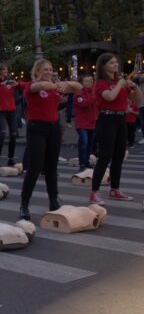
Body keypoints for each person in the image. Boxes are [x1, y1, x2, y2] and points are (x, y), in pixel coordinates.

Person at [18, 60, 82, 220]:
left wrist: (67, 84)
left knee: (52, 168)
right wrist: (58, 85)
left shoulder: (54, 88)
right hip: (37, 128)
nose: (48, 72)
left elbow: (79, 87)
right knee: (34, 168)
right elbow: (40, 86)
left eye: (50, 69)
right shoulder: (32, 86)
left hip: (53, 128)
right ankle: (24, 204)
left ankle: (53, 201)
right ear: (37, 71)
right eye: (45, 69)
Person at [90, 53, 142, 205]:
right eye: (112, 63)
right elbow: (109, 97)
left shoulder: (119, 81)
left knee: (119, 156)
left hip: (121, 119)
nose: (116, 65)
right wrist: (120, 84)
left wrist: (134, 86)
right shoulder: (101, 83)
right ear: (103, 65)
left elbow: (137, 100)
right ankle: (94, 192)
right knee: (105, 156)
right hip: (106, 119)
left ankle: (115, 189)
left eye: (116, 62)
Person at [0, 63, 20, 167]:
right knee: (2, 134)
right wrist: (1, 84)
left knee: (13, 135)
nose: (6, 71)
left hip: (12, 111)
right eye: (4, 69)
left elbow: (18, 88)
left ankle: (10, 158)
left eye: (6, 69)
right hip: (1, 111)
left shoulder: (9, 81)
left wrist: (16, 85)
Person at [74, 75, 98, 170]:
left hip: (92, 122)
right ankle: (82, 162)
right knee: (84, 142)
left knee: (89, 144)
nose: (89, 83)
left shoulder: (93, 92)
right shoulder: (78, 93)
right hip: (82, 122)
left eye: (91, 81)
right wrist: (94, 96)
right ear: (82, 83)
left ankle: (86, 161)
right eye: (86, 81)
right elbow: (83, 104)